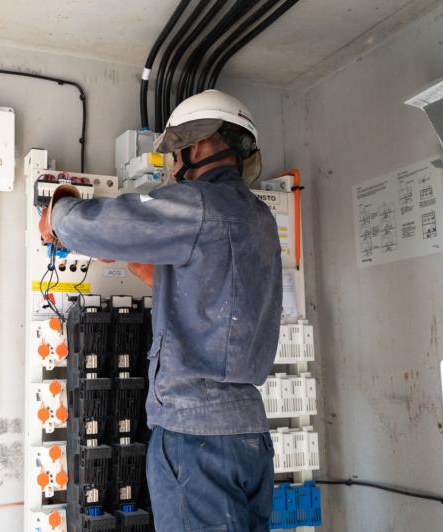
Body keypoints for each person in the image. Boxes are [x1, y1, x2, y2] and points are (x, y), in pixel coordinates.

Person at [39, 89, 282, 532]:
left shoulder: (200, 205)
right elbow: (212, 291)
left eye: (176, 153)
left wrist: (58, 214)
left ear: (198, 144)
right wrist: (139, 260)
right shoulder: (258, 219)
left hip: (196, 435)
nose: (173, 167)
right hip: (249, 434)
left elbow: (99, 222)